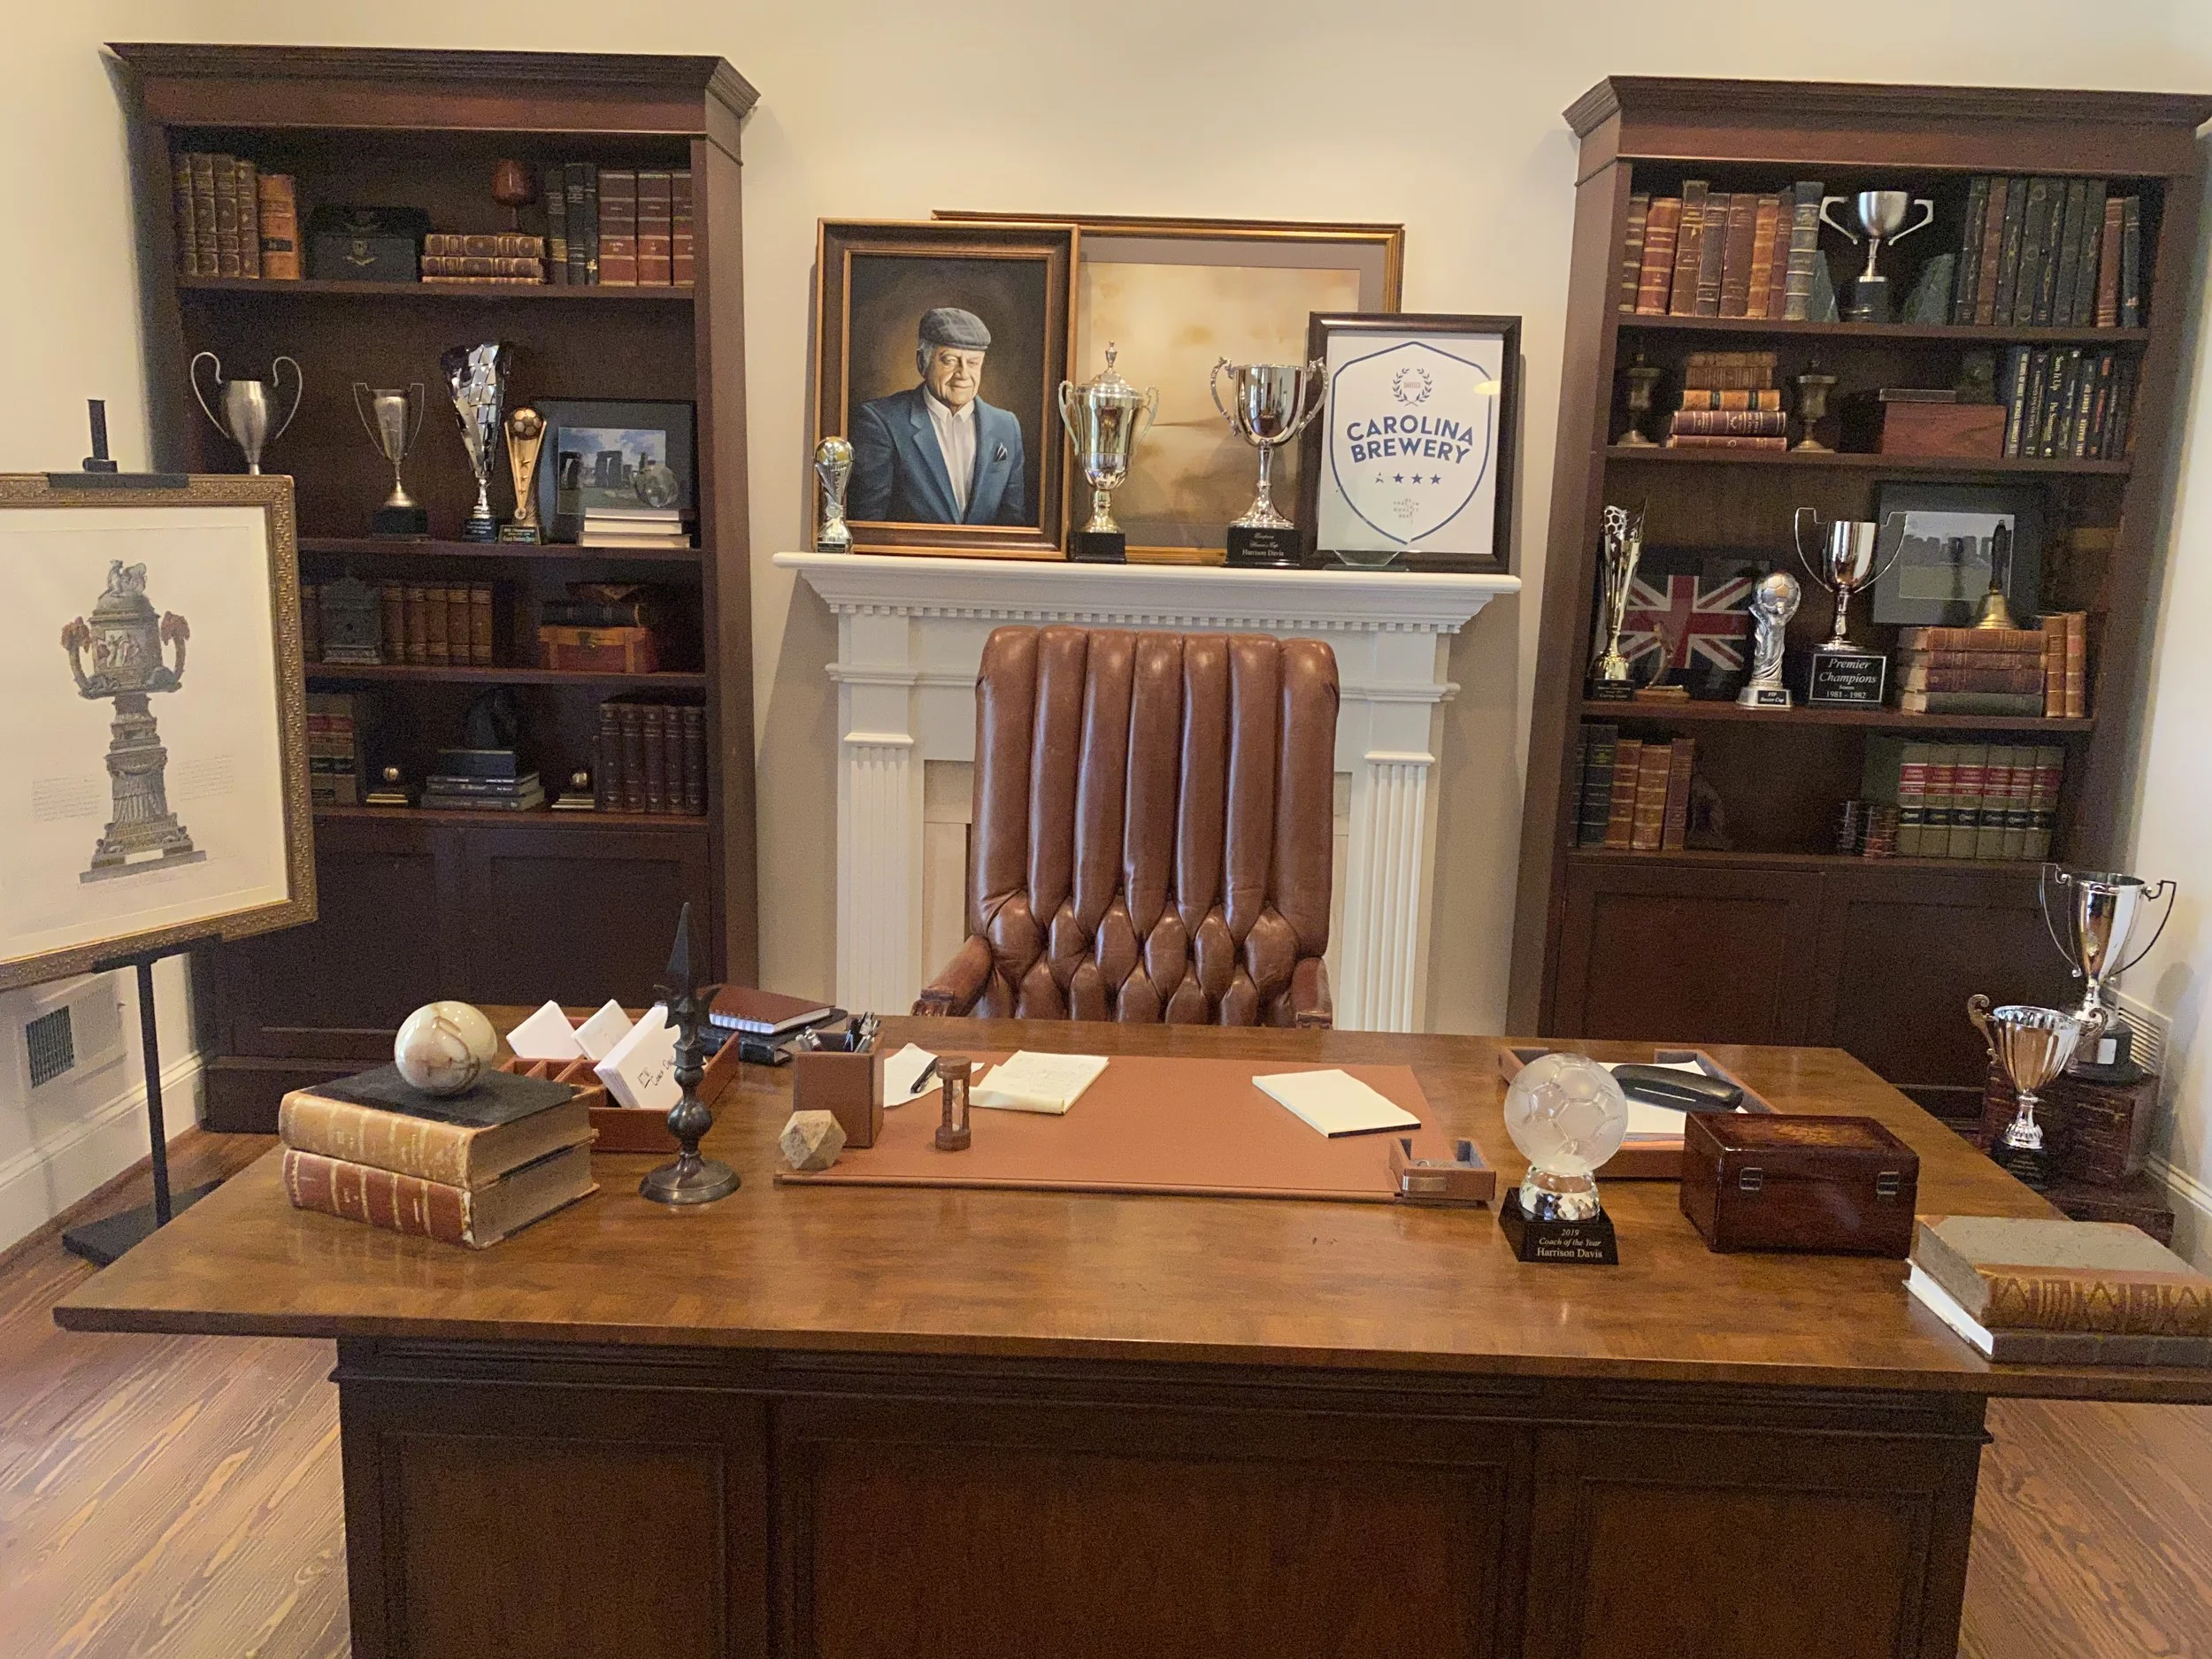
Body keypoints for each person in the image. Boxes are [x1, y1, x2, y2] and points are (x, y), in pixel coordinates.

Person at [849, 306, 1027, 525]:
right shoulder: (881, 421)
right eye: (950, 360)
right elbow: (869, 525)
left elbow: (1014, 524)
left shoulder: (1006, 426)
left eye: (973, 362)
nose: (963, 374)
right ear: (922, 362)